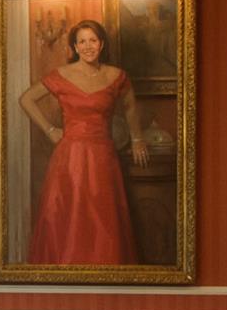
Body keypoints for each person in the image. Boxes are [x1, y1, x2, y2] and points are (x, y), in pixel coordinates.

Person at [18, 19, 148, 265]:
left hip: (102, 156)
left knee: (103, 221)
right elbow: (26, 99)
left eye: (93, 40)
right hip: (70, 158)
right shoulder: (61, 75)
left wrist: (138, 138)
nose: (88, 46)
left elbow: (131, 107)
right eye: (82, 41)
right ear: (75, 47)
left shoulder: (117, 76)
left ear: (101, 44)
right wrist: (49, 130)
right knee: (69, 218)